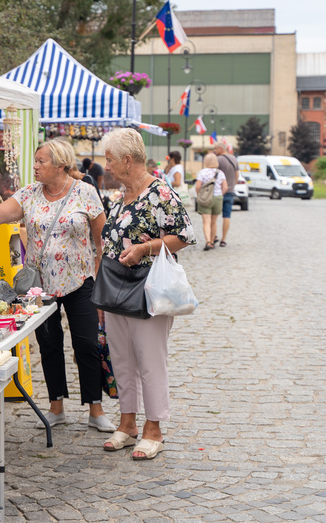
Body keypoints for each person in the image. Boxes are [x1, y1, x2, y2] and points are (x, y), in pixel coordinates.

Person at [0, 137, 115, 432]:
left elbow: (101, 238)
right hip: (40, 286)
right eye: (36, 161)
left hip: (80, 280)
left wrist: (102, 275)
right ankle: (56, 407)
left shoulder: (85, 192)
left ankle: (96, 409)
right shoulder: (29, 194)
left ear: (60, 165)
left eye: (41, 161)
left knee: (87, 344)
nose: (35, 166)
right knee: (49, 344)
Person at [99, 128, 195, 460]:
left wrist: (145, 248)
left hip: (148, 290)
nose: (106, 166)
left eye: (109, 159)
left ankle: (153, 429)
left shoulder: (160, 193)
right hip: (116, 290)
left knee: (150, 361)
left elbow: (183, 235)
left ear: (128, 160)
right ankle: (127, 424)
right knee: (121, 360)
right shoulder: (120, 196)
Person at [195, 153, 228, 251]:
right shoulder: (220, 173)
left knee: (206, 222)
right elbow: (225, 187)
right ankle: (213, 242)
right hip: (217, 198)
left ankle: (208, 241)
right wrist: (220, 195)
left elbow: (198, 186)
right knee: (214, 222)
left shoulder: (202, 172)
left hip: (205, 199)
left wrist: (199, 195)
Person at [213, 142, 238, 246]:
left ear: (220, 148)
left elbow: (213, 174)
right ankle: (223, 240)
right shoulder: (234, 159)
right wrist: (232, 185)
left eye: (215, 149)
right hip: (230, 191)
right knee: (226, 216)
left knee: (213, 216)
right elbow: (237, 175)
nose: (214, 151)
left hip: (219, 192)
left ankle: (213, 237)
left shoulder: (218, 160)